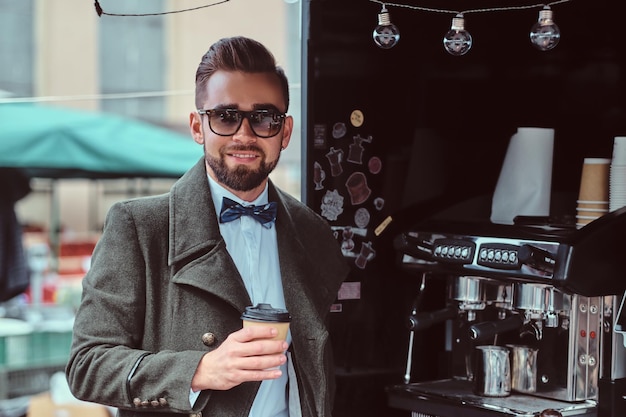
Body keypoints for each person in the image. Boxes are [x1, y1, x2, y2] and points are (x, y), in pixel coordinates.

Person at [65, 36, 349, 417]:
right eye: (225, 116)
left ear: (285, 132)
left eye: (264, 117)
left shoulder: (312, 232)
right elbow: (87, 366)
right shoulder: (139, 227)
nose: (244, 135)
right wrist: (199, 370)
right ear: (198, 127)